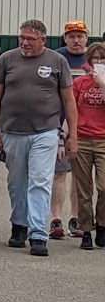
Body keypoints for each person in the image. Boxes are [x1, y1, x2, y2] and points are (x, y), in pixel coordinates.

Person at [0, 19, 78, 256]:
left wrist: (72, 135)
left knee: (40, 181)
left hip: (46, 131)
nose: (25, 43)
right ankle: (19, 225)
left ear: (43, 40)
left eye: (30, 39)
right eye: (22, 38)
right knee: (17, 182)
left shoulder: (57, 61)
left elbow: (69, 100)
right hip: (13, 131)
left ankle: (38, 233)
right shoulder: (7, 59)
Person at [50, 20, 90, 239]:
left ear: (86, 38)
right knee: (59, 172)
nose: (76, 40)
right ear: (65, 38)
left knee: (80, 177)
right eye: (72, 36)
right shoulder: (57, 58)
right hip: (60, 124)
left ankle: (76, 218)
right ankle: (55, 218)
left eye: (80, 36)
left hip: (87, 127)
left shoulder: (93, 59)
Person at [71, 42, 105, 251]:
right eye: (95, 58)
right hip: (82, 138)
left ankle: (102, 224)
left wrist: (102, 83)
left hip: (103, 139)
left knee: (103, 186)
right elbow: (71, 110)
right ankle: (85, 229)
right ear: (89, 61)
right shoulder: (80, 83)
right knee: (84, 189)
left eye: (102, 58)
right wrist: (67, 136)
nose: (99, 62)